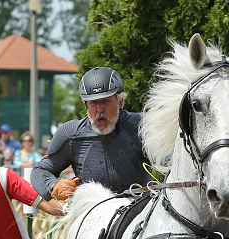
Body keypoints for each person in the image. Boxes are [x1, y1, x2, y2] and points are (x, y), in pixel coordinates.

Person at [31, 67, 149, 202]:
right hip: (92, 213)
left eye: (106, 101)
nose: (100, 109)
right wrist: (54, 185)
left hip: (141, 212)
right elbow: (40, 170)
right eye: (93, 103)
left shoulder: (142, 125)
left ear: (120, 102)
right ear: (86, 106)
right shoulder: (71, 132)